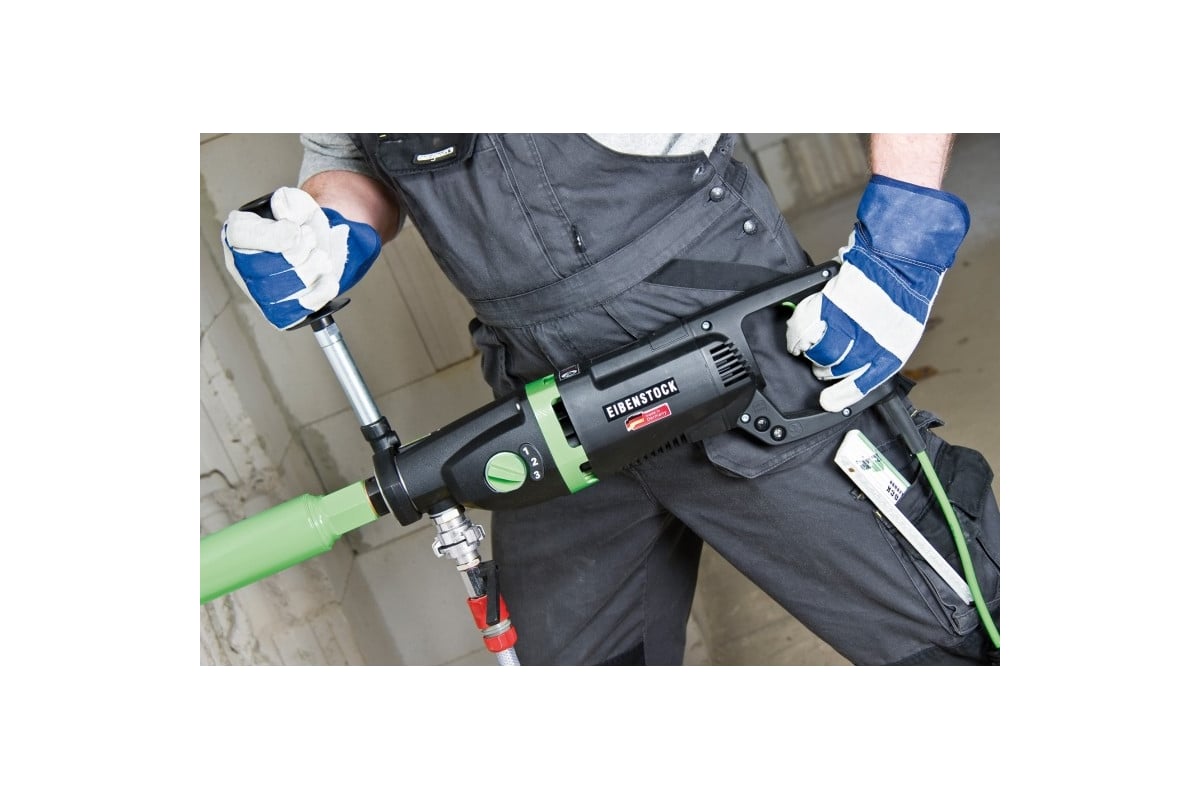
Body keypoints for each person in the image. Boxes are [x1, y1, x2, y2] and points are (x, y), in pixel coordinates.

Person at [222, 133, 1000, 666]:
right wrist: (325, 230)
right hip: (544, 396)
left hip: (726, 334)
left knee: (950, 628)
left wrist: (905, 235)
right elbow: (352, 159)